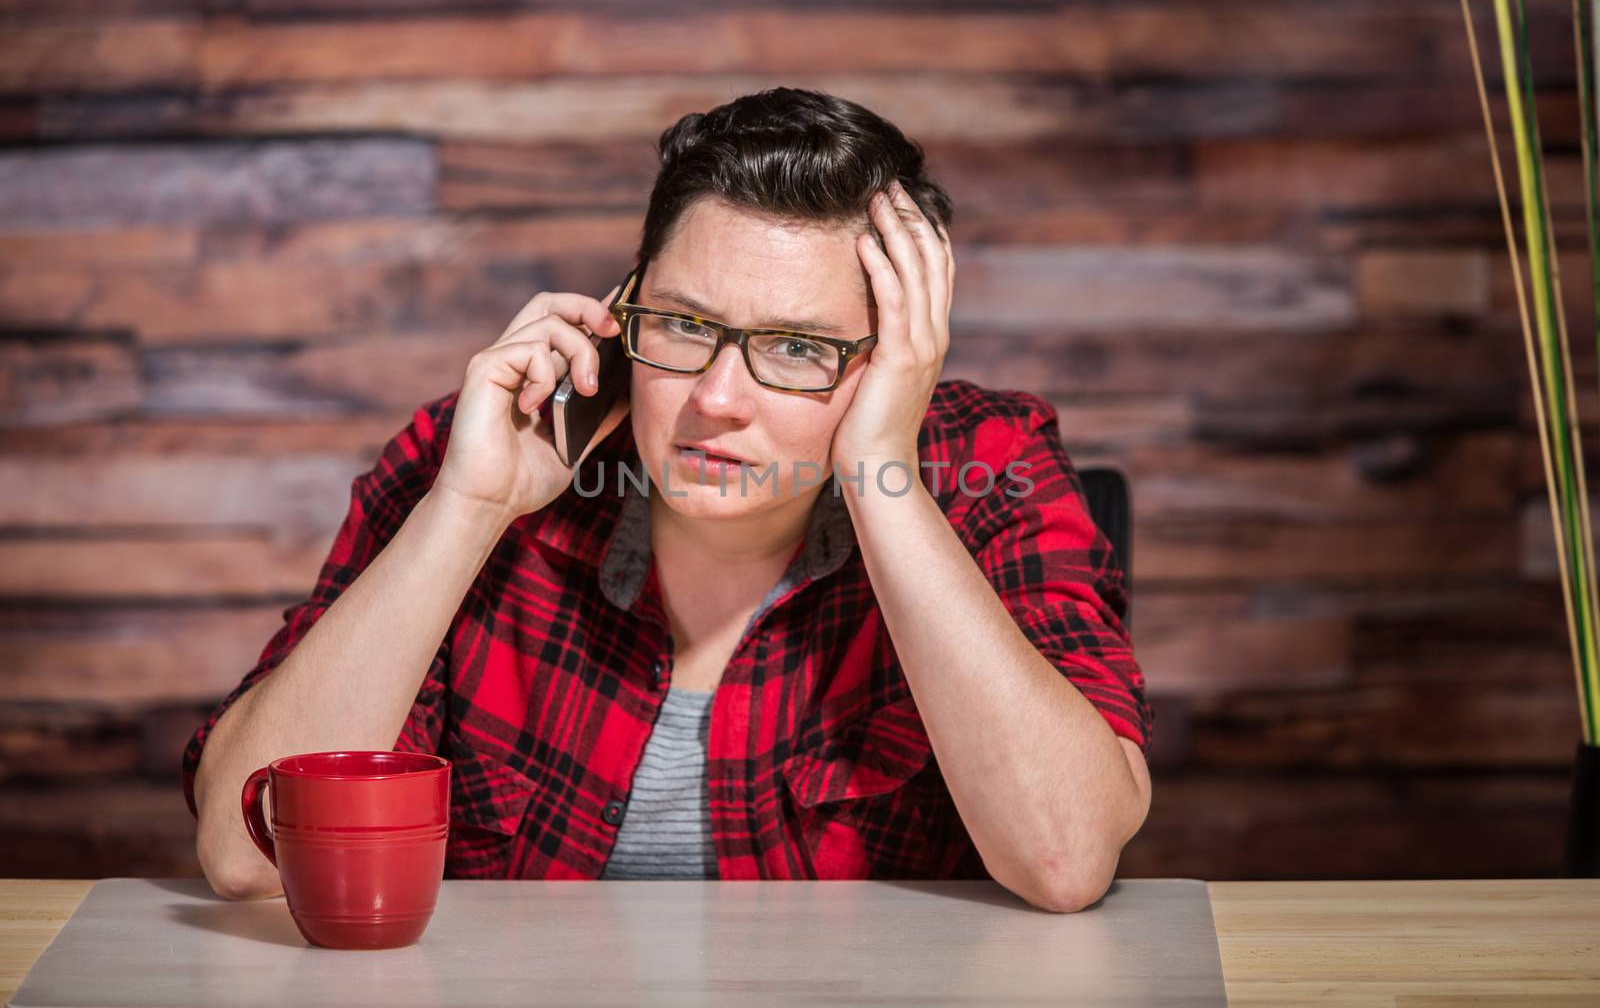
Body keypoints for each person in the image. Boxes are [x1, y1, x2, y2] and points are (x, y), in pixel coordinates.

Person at [183, 87, 1153, 913]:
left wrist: (876, 470)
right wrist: (469, 505)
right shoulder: (490, 442)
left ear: (898, 359)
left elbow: (1062, 858)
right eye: (684, 325)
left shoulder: (987, 460)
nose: (716, 401)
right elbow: (247, 851)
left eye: (799, 348)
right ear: (624, 304)